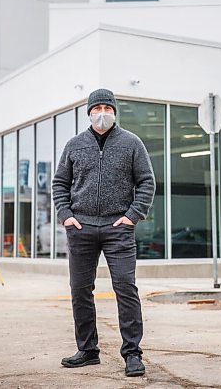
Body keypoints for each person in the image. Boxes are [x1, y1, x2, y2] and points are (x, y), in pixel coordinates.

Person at [52, 88, 155, 377]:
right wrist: (66, 216)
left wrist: (132, 216)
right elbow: (60, 183)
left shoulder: (131, 143)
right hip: (81, 228)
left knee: (125, 288)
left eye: (107, 108)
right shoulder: (74, 145)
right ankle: (87, 350)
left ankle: (132, 354)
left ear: (114, 111)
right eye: (96, 108)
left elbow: (146, 182)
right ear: (88, 112)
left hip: (118, 229)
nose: (102, 113)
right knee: (80, 291)